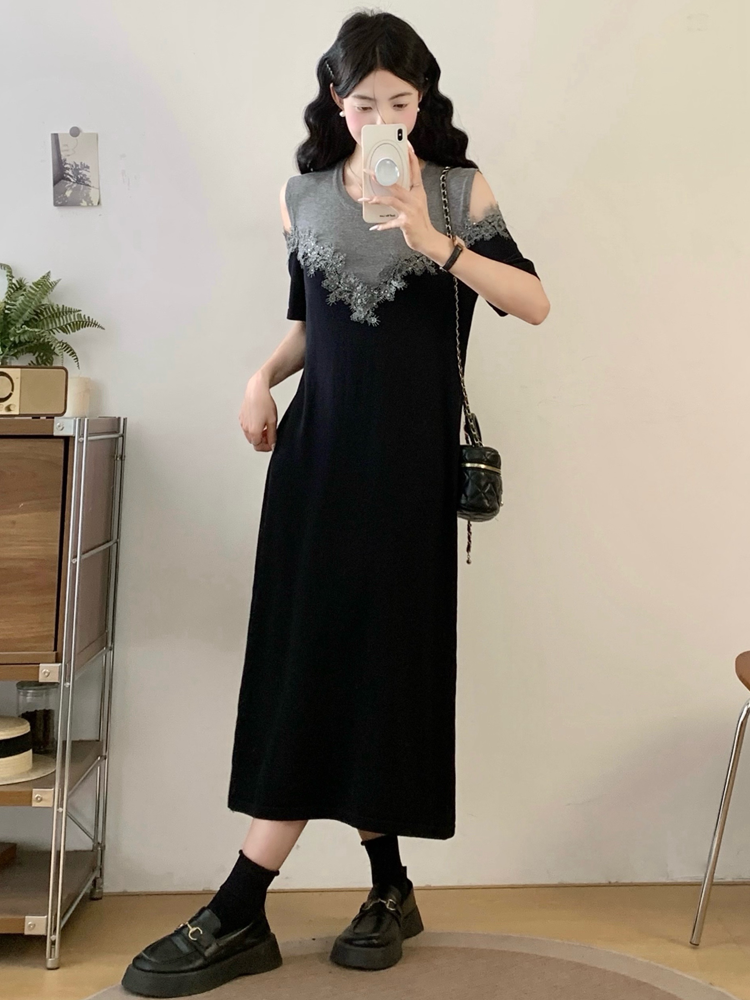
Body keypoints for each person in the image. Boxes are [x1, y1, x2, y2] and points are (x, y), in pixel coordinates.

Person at [121, 9, 549, 998]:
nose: (384, 117)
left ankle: (241, 904)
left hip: (406, 471)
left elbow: (531, 301)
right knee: (313, 658)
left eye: (402, 101)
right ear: (335, 100)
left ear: (422, 102)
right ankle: (388, 886)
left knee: (370, 663)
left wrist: (436, 241)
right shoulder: (302, 197)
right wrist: (257, 378)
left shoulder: (460, 190)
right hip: (314, 462)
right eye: (366, 103)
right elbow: (312, 323)